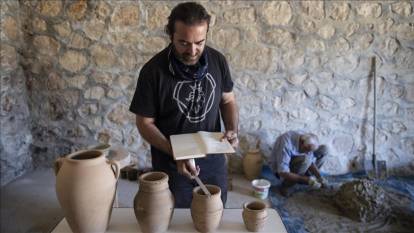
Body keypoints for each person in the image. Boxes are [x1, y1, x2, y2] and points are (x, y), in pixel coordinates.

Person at [129, 2, 238, 208]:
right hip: (172, 163)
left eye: (199, 42)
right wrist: (177, 153)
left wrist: (232, 129)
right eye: (184, 43)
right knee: (177, 219)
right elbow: (144, 123)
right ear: (170, 35)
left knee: (215, 212)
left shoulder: (218, 61)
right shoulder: (153, 71)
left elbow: (228, 100)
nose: (193, 50)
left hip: (213, 158)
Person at [268, 130, 329, 196]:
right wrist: (307, 180)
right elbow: (282, 172)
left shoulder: (306, 138)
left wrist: (319, 176)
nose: (308, 153)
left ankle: (309, 178)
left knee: (324, 149)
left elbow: (310, 160)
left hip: (300, 163)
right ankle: (286, 185)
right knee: (306, 159)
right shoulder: (286, 143)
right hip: (281, 171)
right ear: (301, 143)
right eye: (307, 150)